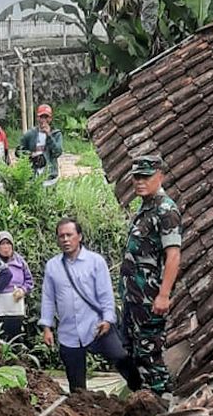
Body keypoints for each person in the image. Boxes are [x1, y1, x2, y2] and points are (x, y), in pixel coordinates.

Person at [39, 218, 141, 393]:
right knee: (77, 385)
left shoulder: (95, 262)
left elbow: (106, 294)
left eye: (69, 235)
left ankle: (143, 393)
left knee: (121, 357)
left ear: (79, 236)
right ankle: (83, 413)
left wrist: (108, 320)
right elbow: (48, 298)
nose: (65, 240)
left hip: (97, 326)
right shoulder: (52, 266)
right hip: (69, 332)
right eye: (61, 236)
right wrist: (47, 327)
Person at [120, 154, 182, 395]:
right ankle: (142, 404)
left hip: (150, 298)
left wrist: (164, 295)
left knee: (150, 354)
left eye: (145, 176)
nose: (139, 182)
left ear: (160, 176)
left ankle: (161, 404)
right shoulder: (147, 208)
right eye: (136, 177)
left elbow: (173, 256)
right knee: (134, 352)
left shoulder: (166, 211)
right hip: (134, 297)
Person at [0, 231, 34, 343]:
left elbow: (29, 281)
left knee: (15, 335)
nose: (6, 247)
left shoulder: (20, 261)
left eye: (8, 244)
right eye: (3, 244)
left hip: (16, 305)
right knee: (0, 336)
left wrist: (23, 290)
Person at [18, 103, 63, 184]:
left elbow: (58, 152)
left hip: (50, 176)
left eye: (46, 117)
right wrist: (30, 155)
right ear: (37, 118)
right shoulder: (30, 134)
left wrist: (49, 136)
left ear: (51, 118)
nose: (44, 120)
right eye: (41, 117)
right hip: (33, 176)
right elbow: (19, 151)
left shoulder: (56, 134)